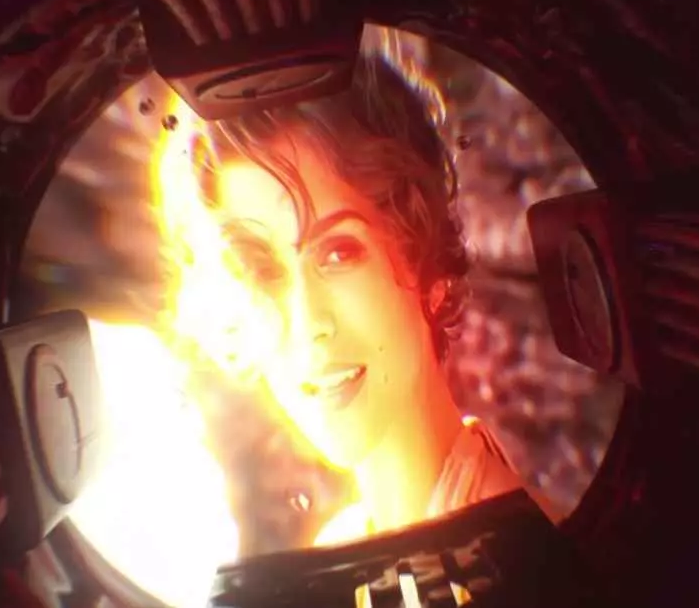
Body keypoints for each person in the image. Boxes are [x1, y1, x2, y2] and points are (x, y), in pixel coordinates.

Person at [178, 35, 560, 546]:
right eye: (260, 270)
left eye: (338, 254)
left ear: (425, 265)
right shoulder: (343, 541)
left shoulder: (524, 557)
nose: (308, 323)